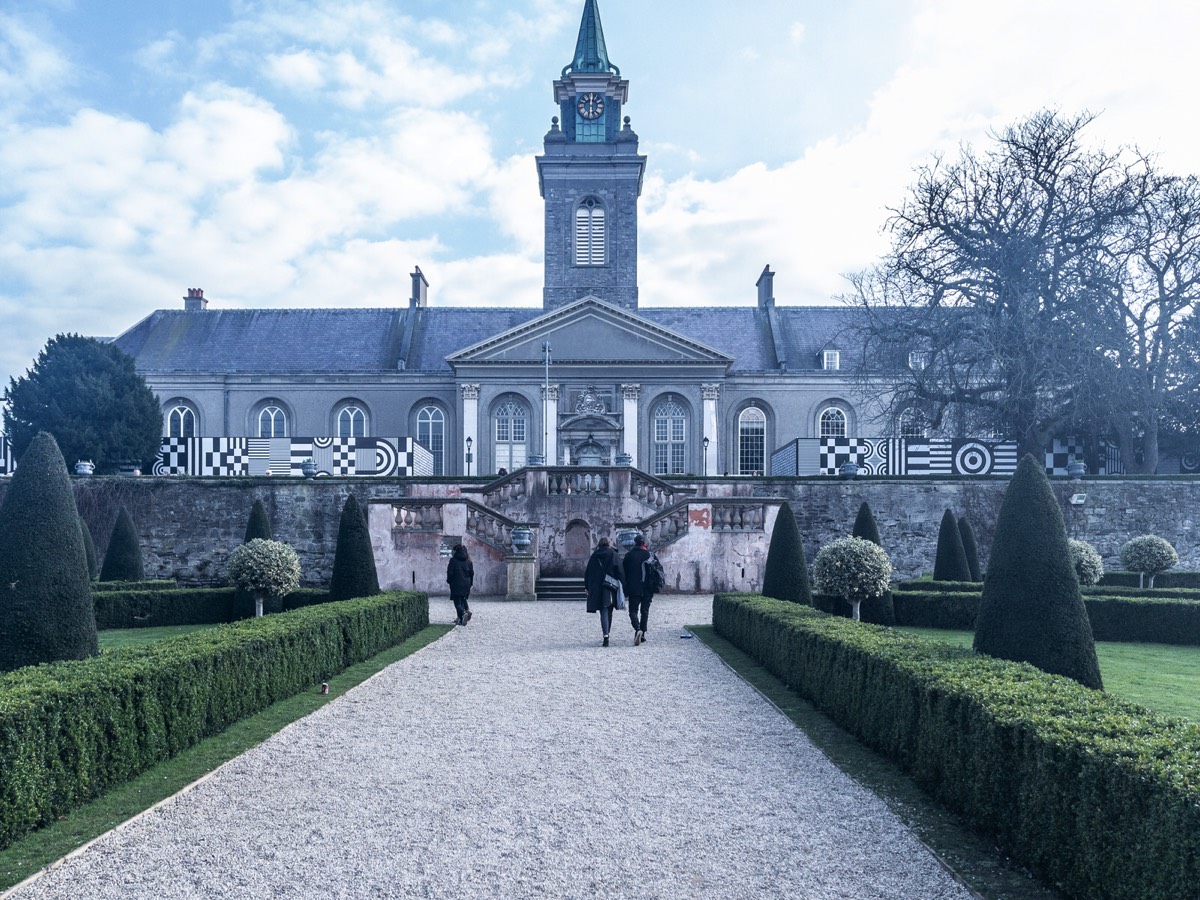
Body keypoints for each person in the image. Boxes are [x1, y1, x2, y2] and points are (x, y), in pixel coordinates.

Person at [584, 537, 621, 646]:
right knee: (609, 609)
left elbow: (588, 572)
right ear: (608, 544)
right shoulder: (613, 554)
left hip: (597, 586)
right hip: (610, 585)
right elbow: (619, 570)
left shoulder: (595, 555)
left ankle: (606, 634)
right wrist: (622, 584)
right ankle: (607, 632)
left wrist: (587, 587)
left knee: (603, 610)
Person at [622, 534, 654, 645]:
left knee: (633, 611)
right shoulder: (650, 555)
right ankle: (643, 634)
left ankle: (637, 628)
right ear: (644, 543)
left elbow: (624, 573)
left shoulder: (628, 555)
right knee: (645, 611)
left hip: (633, 587)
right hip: (647, 588)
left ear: (635, 543)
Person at [446, 544, 474, 625]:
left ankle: (462, 614)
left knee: (457, 602)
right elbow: (471, 573)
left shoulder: (453, 560)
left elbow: (450, 573)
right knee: (462, 600)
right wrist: (471, 583)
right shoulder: (469, 561)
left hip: (456, 583)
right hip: (466, 584)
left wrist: (449, 580)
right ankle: (461, 618)